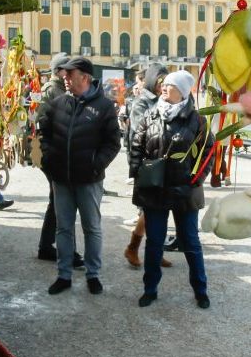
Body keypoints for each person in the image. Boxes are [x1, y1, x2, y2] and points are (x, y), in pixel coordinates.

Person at [129, 70, 214, 309]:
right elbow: (136, 145)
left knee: (190, 242)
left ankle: (201, 290)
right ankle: (150, 289)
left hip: (185, 191)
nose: (164, 88)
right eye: (163, 85)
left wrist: (197, 179)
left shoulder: (197, 121)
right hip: (154, 191)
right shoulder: (150, 115)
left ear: (183, 92)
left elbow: (208, 152)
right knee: (154, 242)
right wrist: (138, 174)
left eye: (170, 85)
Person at [39, 56, 121, 295]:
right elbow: (44, 131)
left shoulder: (104, 107)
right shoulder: (58, 103)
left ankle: (93, 274)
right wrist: (48, 158)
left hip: (89, 180)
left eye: (69, 74)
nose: (64, 78)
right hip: (61, 179)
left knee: (91, 228)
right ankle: (63, 275)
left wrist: (96, 165)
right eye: (63, 74)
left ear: (84, 77)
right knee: (63, 228)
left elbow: (113, 143)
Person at [34, 52, 82, 268]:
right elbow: (44, 125)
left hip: (60, 154)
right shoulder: (53, 90)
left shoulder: (61, 88)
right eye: (68, 69)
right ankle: (66, 251)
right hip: (56, 155)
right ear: (59, 70)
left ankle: (47, 247)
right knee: (63, 202)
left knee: (57, 202)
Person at [124, 64, 171, 268]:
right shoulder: (142, 103)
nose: (163, 86)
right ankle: (134, 247)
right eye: (160, 82)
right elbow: (140, 129)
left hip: (163, 161)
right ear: (153, 81)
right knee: (151, 209)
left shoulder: (165, 100)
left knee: (158, 208)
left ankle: (152, 250)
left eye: (166, 82)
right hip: (147, 162)